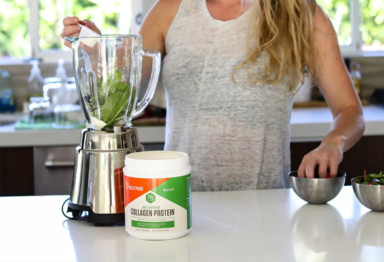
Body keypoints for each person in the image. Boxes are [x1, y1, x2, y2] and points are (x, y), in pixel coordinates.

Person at [61, 0, 365, 191]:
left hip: (263, 210)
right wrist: (95, 49)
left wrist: (333, 144)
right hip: (176, 204)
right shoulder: (170, 9)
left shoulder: (301, 13)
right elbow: (119, 88)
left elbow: (350, 110)